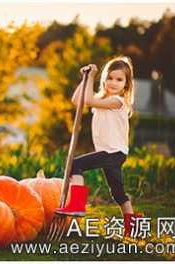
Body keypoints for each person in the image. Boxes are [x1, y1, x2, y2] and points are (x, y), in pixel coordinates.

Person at [55, 56, 142, 237]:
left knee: (75, 165)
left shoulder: (117, 102)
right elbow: (77, 100)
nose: (113, 82)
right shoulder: (103, 98)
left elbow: (88, 101)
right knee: (117, 192)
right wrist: (85, 79)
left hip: (112, 152)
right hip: (112, 153)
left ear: (126, 85)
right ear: (105, 79)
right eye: (110, 78)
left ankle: (77, 205)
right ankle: (133, 224)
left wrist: (92, 75)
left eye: (119, 79)